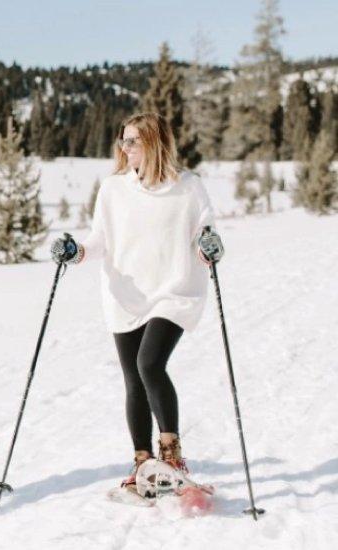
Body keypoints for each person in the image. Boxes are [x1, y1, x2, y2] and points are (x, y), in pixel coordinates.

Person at [50, 112, 225, 494]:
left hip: (175, 291)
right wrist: (76, 252)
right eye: (122, 140)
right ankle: (144, 462)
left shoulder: (188, 186)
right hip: (125, 295)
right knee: (133, 378)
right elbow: (99, 240)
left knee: (150, 363)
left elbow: (205, 231)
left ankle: (172, 453)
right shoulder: (114, 188)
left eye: (132, 141)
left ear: (154, 143)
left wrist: (207, 246)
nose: (124, 147)